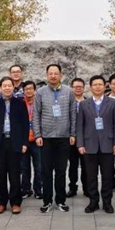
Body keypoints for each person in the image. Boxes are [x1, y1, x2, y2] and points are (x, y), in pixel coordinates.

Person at [33, 63, 76, 213]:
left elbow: (73, 114)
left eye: (56, 73)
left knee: (61, 171)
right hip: (46, 138)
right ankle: (47, 201)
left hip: (64, 137)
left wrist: (73, 134)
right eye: (50, 73)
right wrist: (37, 134)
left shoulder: (68, 91)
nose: (53, 76)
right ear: (46, 75)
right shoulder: (40, 92)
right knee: (46, 171)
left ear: (60, 75)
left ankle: (60, 200)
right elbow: (36, 115)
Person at [76, 75, 115, 213]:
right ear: (90, 87)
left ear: (105, 86)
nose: (97, 87)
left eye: (100, 84)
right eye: (95, 84)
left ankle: (107, 203)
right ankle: (93, 202)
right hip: (89, 145)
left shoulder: (112, 103)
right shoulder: (84, 104)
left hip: (108, 144)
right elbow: (80, 126)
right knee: (91, 176)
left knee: (107, 176)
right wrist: (80, 144)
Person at [0, 77, 29, 214]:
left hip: (15, 142)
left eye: (9, 85)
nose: (7, 88)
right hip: (0, 142)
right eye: (4, 86)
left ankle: (15, 202)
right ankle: (1, 203)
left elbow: (25, 125)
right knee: (1, 174)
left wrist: (24, 143)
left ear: (13, 87)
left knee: (15, 174)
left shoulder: (20, 103)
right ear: (0, 88)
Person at [21, 81, 43, 199]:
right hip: (24, 140)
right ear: (23, 91)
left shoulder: (39, 103)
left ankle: (38, 189)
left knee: (38, 167)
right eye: (26, 89)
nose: (28, 91)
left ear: (35, 90)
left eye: (31, 89)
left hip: (36, 139)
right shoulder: (20, 103)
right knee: (24, 167)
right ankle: (26, 189)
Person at [67, 77, 87, 197]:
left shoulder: (88, 102)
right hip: (71, 138)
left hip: (85, 139)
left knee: (86, 165)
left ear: (84, 88)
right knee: (73, 165)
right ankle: (72, 188)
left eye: (80, 87)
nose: (78, 89)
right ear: (72, 88)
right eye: (75, 87)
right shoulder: (67, 102)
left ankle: (86, 188)